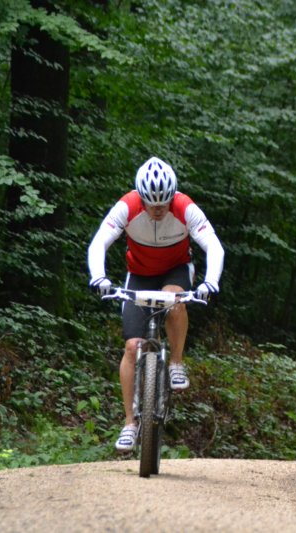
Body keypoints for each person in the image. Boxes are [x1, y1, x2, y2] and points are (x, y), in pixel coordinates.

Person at [87, 156, 224, 452]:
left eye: (164, 203)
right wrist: (98, 277)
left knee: (175, 300)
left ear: (172, 196)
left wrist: (210, 282)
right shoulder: (127, 206)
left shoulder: (185, 207)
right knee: (131, 347)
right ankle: (130, 424)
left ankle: (176, 362)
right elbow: (99, 242)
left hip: (175, 269)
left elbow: (213, 245)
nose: (158, 209)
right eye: (152, 204)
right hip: (139, 275)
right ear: (141, 197)